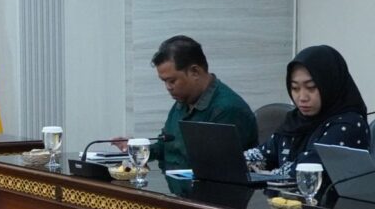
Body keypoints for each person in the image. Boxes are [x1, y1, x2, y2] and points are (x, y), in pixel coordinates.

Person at [118, 35, 257, 171]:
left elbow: (216, 169)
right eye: (164, 82)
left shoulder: (228, 109)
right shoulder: (184, 100)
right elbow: (165, 146)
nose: (168, 87)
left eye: (172, 81)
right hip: (172, 183)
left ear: (195, 72)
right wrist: (137, 148)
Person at [245, 45, 369, 177]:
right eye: (295, 88)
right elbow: (263, 155)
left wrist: (267, 175)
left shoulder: (349, 125)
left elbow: (307, 172)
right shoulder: (295, 121)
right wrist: (239, 162)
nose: (302, 97)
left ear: (330, 84)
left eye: (311, 87)